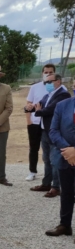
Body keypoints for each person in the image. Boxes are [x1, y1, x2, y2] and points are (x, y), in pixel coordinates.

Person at [27, 73, 71, 199]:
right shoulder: (47, 95)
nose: (47, 84)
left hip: (54, 132)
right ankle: (46, 183)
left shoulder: (63, 95)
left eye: (50, 82)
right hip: (44, 131)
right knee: (46, 159)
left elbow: (48, 110)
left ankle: (56, 187)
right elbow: (37, 107)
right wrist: (29, 107)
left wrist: (37, 111)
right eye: (46, 82)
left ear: (58, 82)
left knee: (55, 160)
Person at [47, 96, 75, 237]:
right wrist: (68, 150)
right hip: (65, 157)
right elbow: (53, 131)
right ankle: (65, 225)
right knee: (67, 192)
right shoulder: (62, 105)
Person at [24, 64, 56, 181]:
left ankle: (52, 174)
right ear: (42, 73)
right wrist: (29, 120)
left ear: (54, 74)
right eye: (46, 72)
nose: (48, 74)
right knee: (34, 148)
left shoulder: (59, 88)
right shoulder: (35, 87)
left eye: (50, 72)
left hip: (50, 124)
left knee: (50, 149)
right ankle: (32, 171)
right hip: (35, 122)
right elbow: (28, 104)